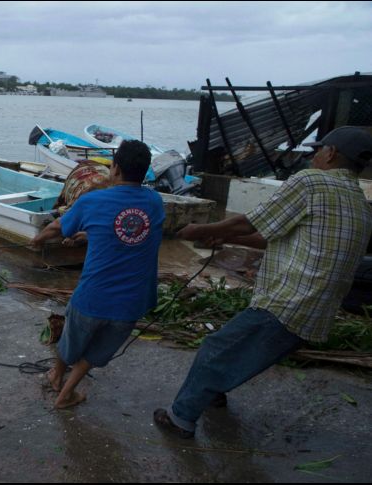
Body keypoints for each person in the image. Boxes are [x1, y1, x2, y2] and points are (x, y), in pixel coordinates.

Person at [154, 125, 372, 438]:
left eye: (318, 151)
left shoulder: (312, 181)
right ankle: (211, 392)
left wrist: (197, 230)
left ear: (332, 154)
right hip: (316, 311)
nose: (313, 158)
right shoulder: (359, 204)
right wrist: (225, 235)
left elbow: (249, 221)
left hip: (290, 300)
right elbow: (278, 238)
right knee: (238, 349)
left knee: (216, 348)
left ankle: (180, 420)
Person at [32, 139, 165, 409]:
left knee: (70, 339)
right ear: (145, 171)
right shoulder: (155, 201)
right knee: (95, 352)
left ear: (114, 169)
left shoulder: (93, 200)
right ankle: (65, 391)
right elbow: (127, 232)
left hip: (93, 298)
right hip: (132, 302)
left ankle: (57, 378)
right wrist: (88, 235)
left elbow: (56, 228)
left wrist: (37, 240)